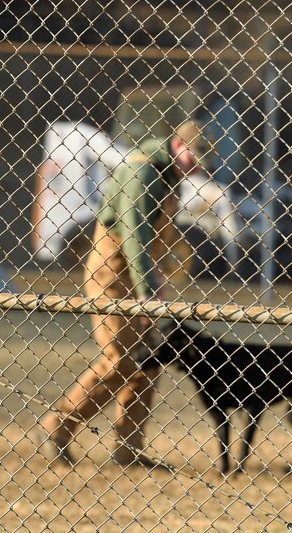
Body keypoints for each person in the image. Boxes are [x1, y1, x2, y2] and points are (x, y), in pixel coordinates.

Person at [37, 120, 209, 468]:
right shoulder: (141, 173)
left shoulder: (169, 177)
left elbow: (155, 239)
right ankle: (59, 425)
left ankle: (129, 449)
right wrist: (146, 292)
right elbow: (133, 234)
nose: (196, 169)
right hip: (112, 277)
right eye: (195, 159)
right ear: (178, 145)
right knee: (121, 359)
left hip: (141, 277)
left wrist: (155, 283)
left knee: (148, 363)